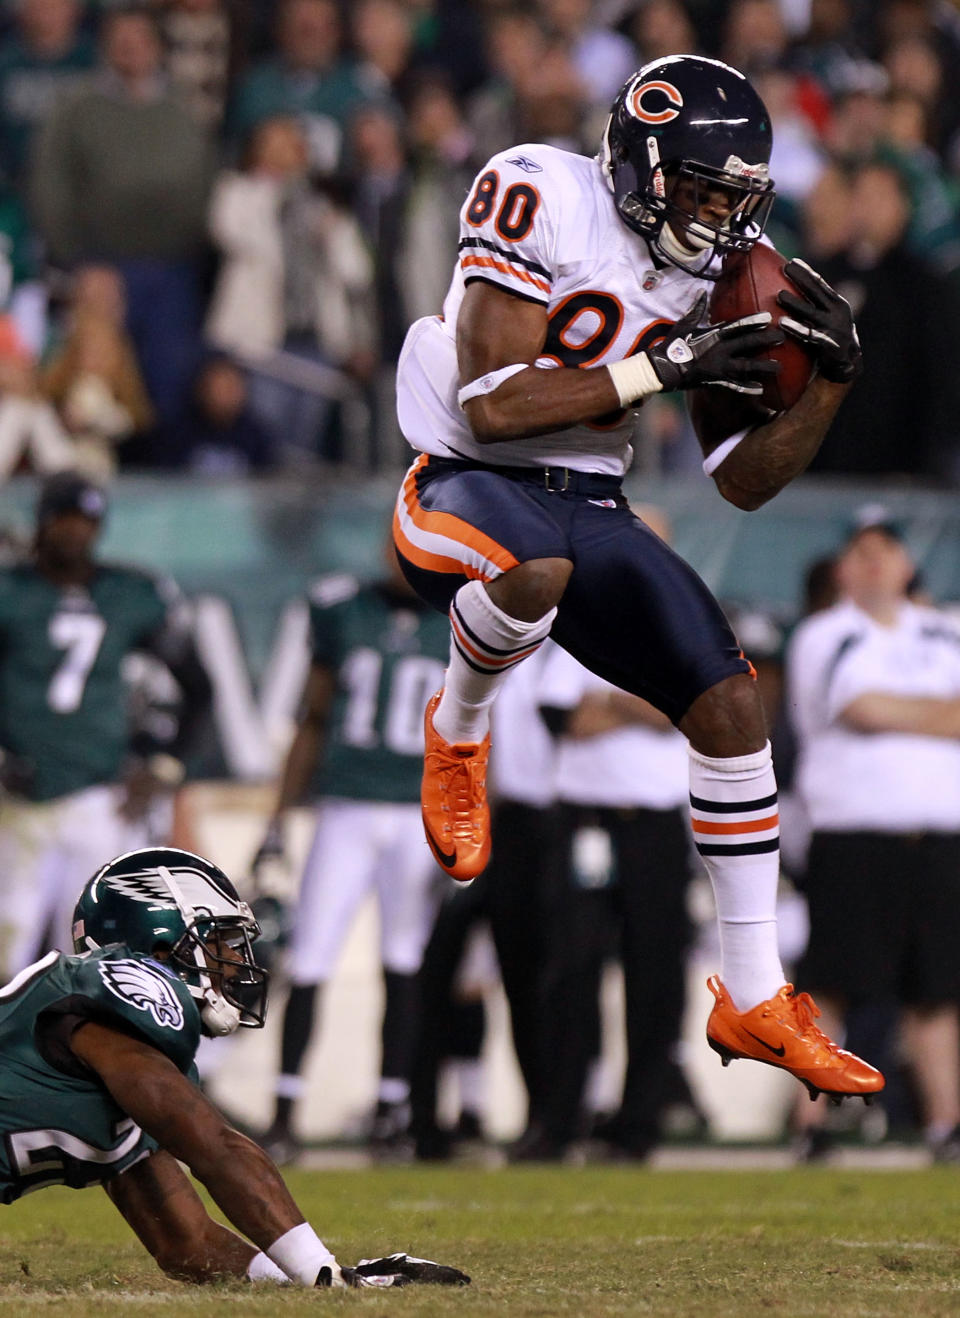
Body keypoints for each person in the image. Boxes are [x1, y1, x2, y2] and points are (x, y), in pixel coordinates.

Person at [391, 53, 882, 1103]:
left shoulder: (721, 267)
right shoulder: (538, 188)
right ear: (643, 166)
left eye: (735, 198)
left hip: (590, 496)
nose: (718, 219)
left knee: (730, 697)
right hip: (465, 480)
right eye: (703, 190)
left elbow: (743, 481)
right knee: (536, 567)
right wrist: (666, 366)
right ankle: (462, 723)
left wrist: (829, 387)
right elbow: (490, 401)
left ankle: (753, 995)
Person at [0, 845, 469, 1290]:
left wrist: (319, 1281)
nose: (235, 965)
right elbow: (215, 1148)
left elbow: (186, 1243)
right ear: (159, 948)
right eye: (218, 942)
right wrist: (322, 1273)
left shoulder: (129, 1066)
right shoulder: (109, 1006)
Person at [251, 542, 449, 1163]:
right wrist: (279, 816)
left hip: (417, 812)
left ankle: (392, 1110)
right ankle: (285, 1112)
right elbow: (312, 717)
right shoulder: (343, 612)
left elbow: (477, 734)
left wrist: (466, 822)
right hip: (344, 807)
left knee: (404, 960)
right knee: (310, 958)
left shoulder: (460, 617)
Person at [786, 519, 960, 1161]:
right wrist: (939, 715)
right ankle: (814, 1125)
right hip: (853, 835)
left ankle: (946, 1124)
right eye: (861, 553)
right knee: (829, 985)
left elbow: (886, 708)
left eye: (887, 550)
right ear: (843, 571)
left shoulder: (944, 630)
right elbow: (860, 707)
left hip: (937, 837)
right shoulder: (825, 633)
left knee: (938, 991)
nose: (875, 564)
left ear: (908, 563)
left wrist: (901, 710)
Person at [0, 472, 212, 982]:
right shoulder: (12, 591)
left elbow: (199, 687)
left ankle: (68, 1063)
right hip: (17, 798)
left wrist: (164, 765)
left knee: (93, 959)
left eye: (87, 521)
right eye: (66, 519)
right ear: (43, 523)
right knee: (10, 948)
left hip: (99, 796)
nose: (76, 533)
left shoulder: (128, 592)